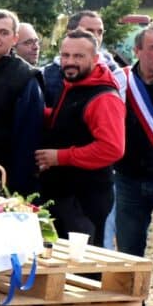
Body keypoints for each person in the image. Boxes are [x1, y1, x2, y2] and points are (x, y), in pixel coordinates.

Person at [35, 29, 125, 243]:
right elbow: (70, 121)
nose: (70, 62)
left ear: (95, 59)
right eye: (65, 56)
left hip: (84, 201)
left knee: (82, 268)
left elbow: (112, 148)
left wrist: (60, 157)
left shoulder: (103, 98)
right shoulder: (74, 86)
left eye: (78, 56)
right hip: (64, 197)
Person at [0, 10, 44, 194]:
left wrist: (17, 191)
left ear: (14, 39)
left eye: (3, 32)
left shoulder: (25, 78)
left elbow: (28, 140)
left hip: (5, 178)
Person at [116, 25, 153, 258]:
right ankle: (131, 296)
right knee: (129, 252)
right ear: (137, 50)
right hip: (129, 179)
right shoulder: (121, 81)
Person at [42, 11, 125, 106]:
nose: (96, 37)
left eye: (100, 32)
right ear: (71, 33)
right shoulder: (46, 73)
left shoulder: (116, 74)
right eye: (89, 31)